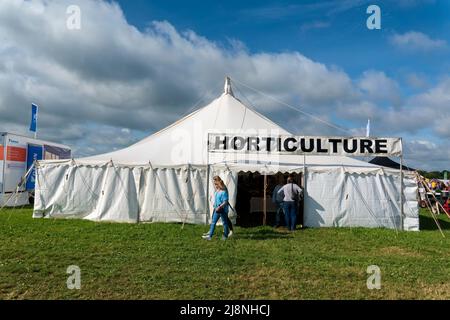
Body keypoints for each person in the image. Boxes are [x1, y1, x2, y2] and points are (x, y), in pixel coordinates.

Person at [202, 176, 231, 240]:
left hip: (222, 210)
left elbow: (225, 202)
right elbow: (217, 199)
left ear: (219, 184)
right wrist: (215, 205)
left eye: (216, 184)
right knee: (213, 222)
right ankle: (209, 236)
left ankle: (225, 236)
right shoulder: (217, 191)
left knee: (224, 223)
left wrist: (220, 207)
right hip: (216, 209)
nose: (215, 186)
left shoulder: (224, 192)